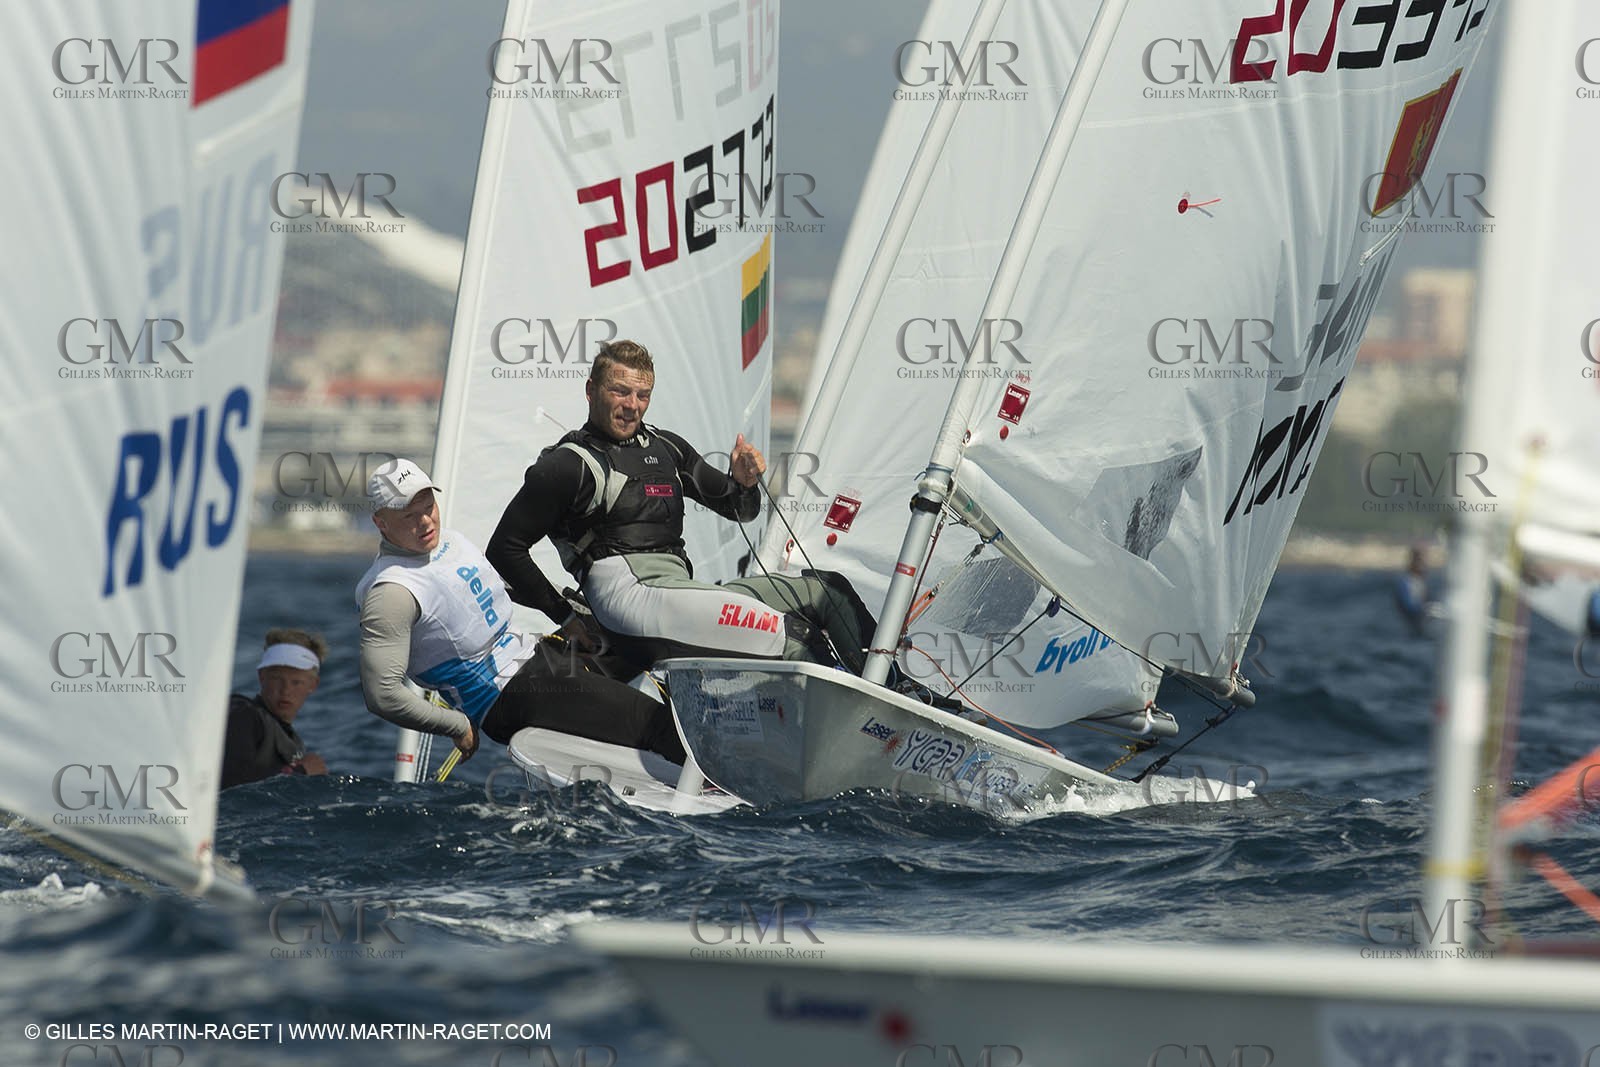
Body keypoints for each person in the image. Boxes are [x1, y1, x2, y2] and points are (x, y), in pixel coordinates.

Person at [486, 339, 874, 672]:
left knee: (827, 591)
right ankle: (853, 724)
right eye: (620, 391)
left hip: (679, 590)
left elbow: (741, 510)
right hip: (629, 600)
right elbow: (504, 548)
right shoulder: (567, 465)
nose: (632, 406)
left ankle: (896, 694)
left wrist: (744, 482)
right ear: (591, 390)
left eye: (643, 395)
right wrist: (567, 619)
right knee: (793, 636)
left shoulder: (667, 449)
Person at [355, 457, 684, 764]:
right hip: (507, 696)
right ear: (381, 523)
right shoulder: (392, 591)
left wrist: (574, 615)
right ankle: (714, 788)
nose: (426, 521)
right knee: (653, 723)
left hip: (536, 656)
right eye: (409, 516)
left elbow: (503, 586)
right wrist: (455, 726)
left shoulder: (448, 542)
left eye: (428, 507)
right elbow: (382, 694)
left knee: (650, 632)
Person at [221, 629, 330, 788]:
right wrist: (301, 771)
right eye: (276, 679)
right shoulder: (242, 714)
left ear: (313, 685)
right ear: (261, 677)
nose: (285, 690)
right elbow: (232, 782)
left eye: (296, 682)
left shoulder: (291, 739)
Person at [1394, 543, 1436, 636]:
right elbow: (1407, 606)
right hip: (1411, 629)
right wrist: (1424, 610)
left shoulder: (1422, 582)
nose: (1424, 565)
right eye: (1420, 561)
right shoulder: (1405, 582)